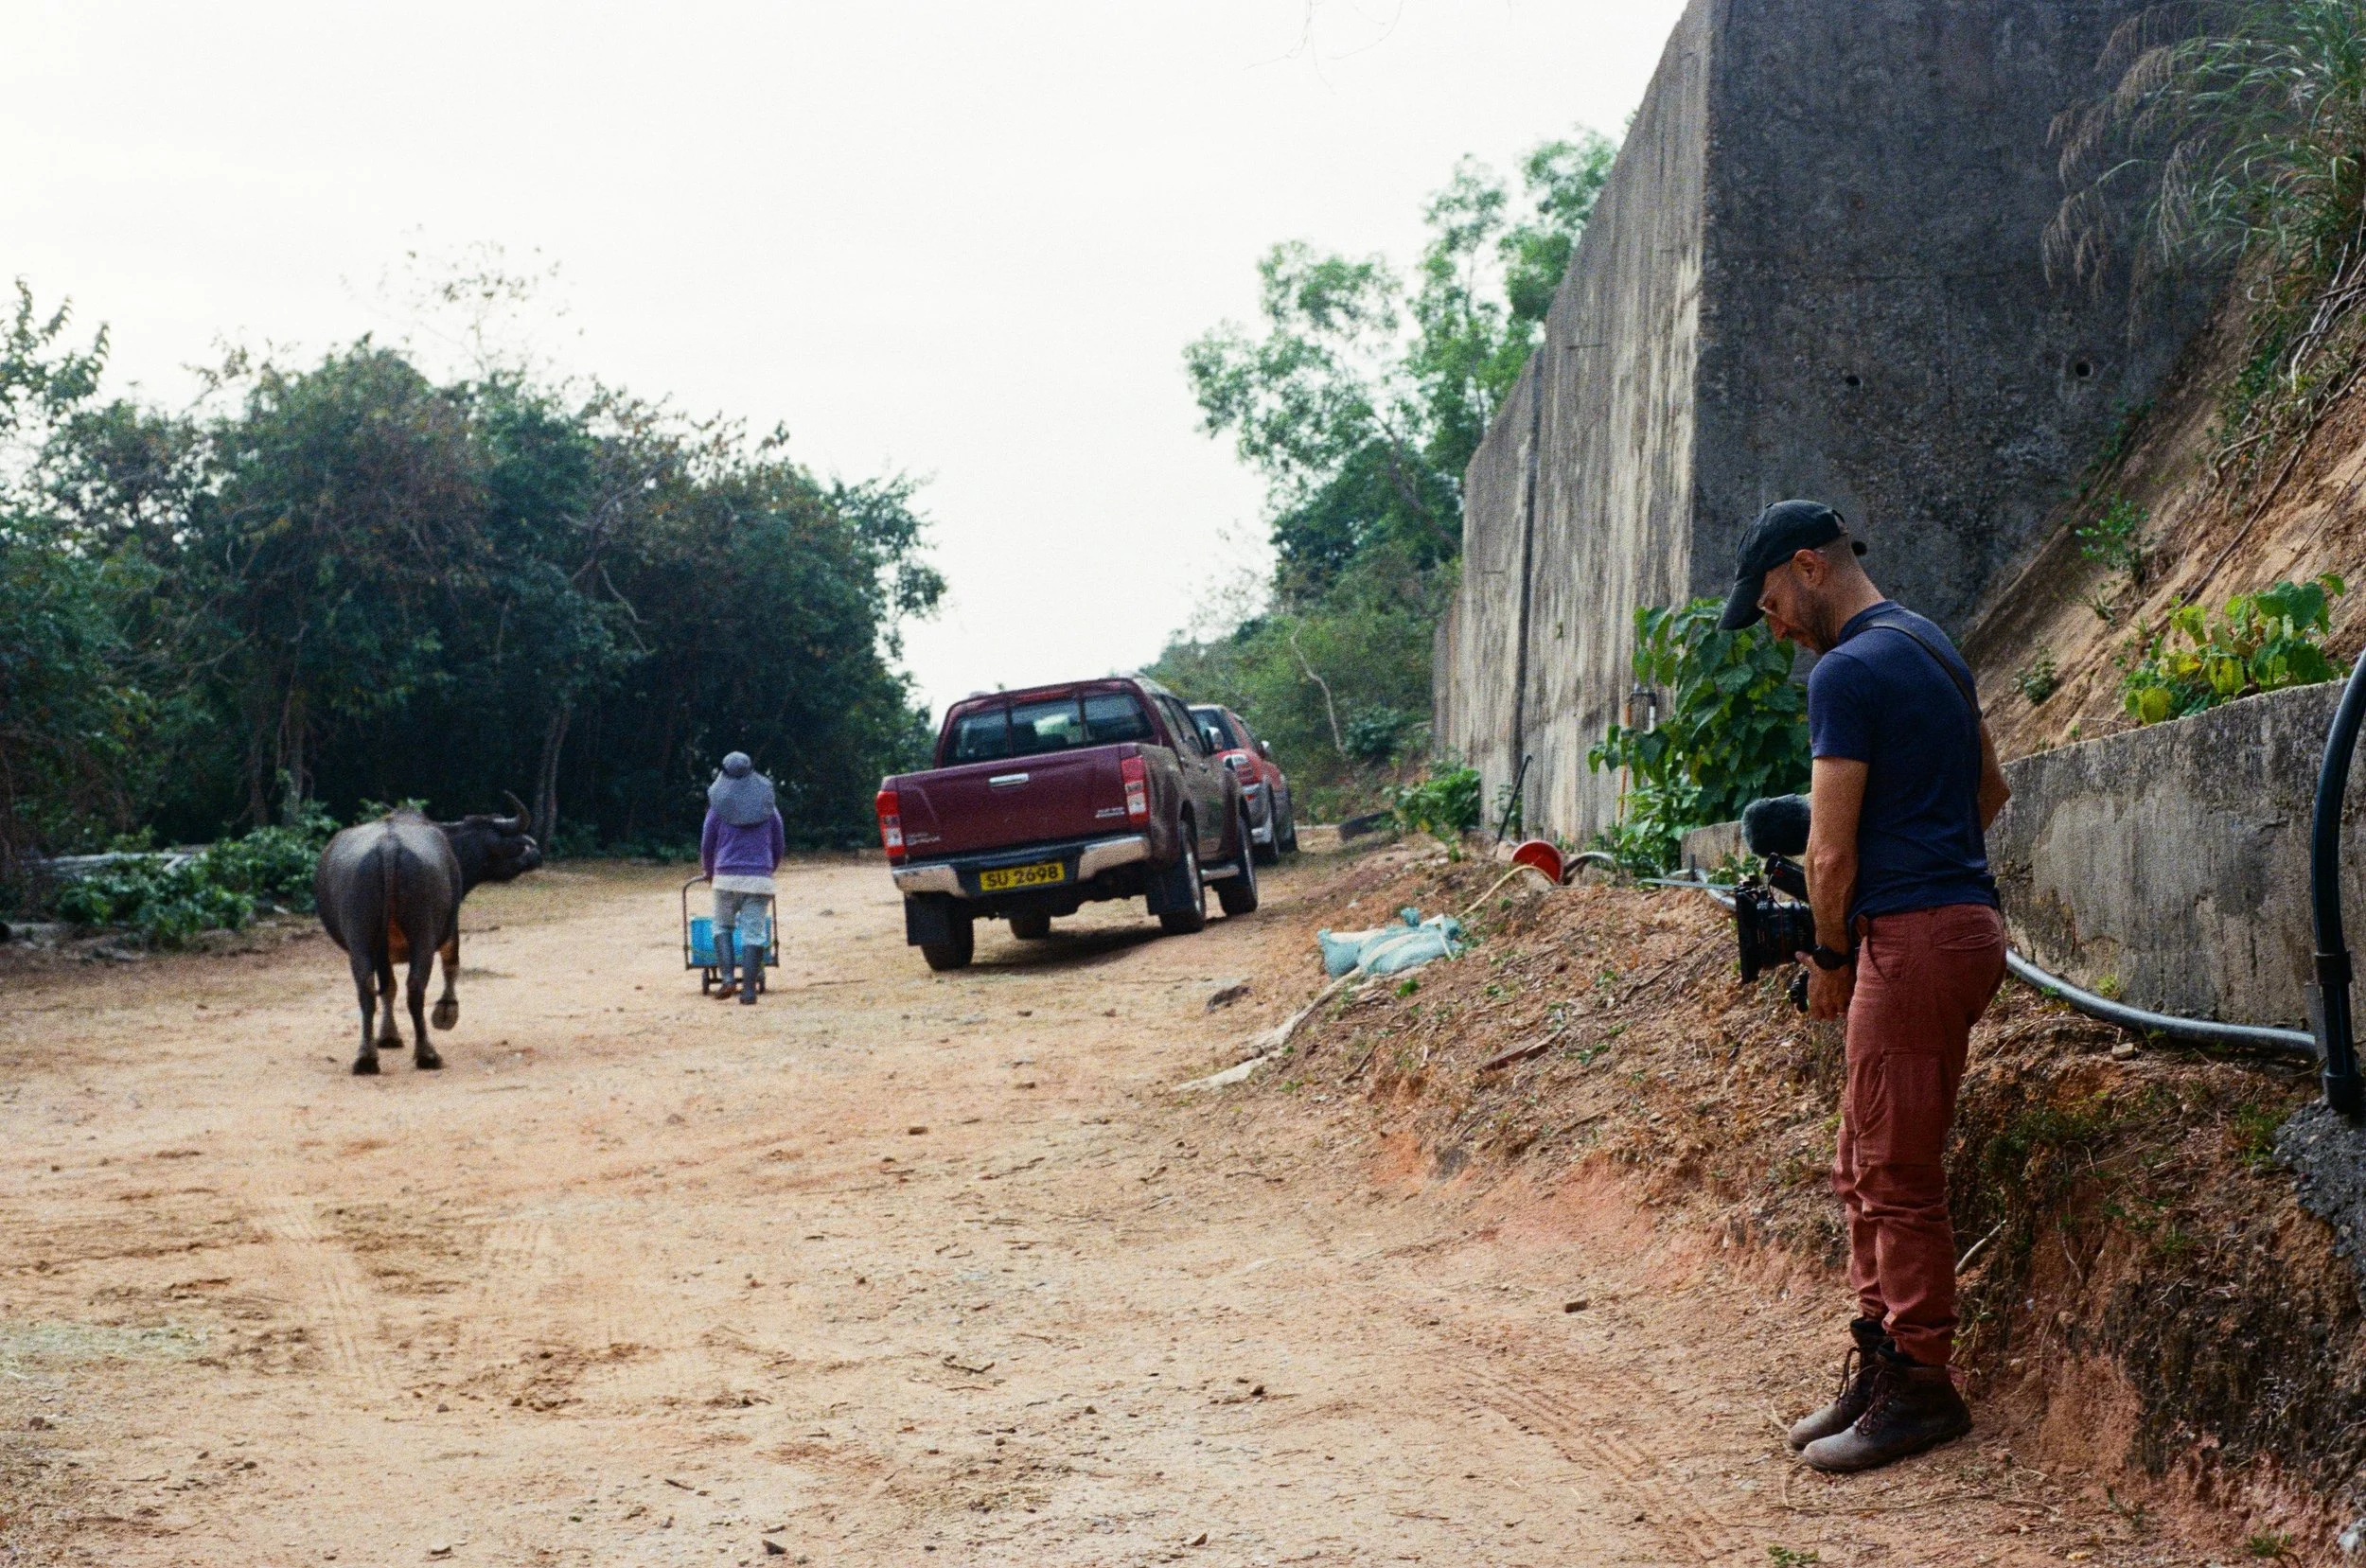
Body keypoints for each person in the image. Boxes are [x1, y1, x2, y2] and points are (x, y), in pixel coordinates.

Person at [1717, 500, 2011, 1473]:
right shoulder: (1930, 645)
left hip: (1911, 936)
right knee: (1863, 1157)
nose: (1776, 627)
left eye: (1770, 603)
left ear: (1807, 565)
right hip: (1959, 923)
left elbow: (1829, 849)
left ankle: (1922, 1388)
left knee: (1894, 1173)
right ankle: (1882, 1359)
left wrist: (1830, 961)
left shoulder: (1845, 670)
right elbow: (1990, 794)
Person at [699, 751, 786, 1005]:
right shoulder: (768, 806)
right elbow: (779, 843)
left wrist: (709, 871)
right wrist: (770, 868)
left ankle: (727, 978)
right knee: (754, 933)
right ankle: (748, 991)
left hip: (725, 878)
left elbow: (707, 845)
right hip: (759, 878)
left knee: (722, 926)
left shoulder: (717, 808)